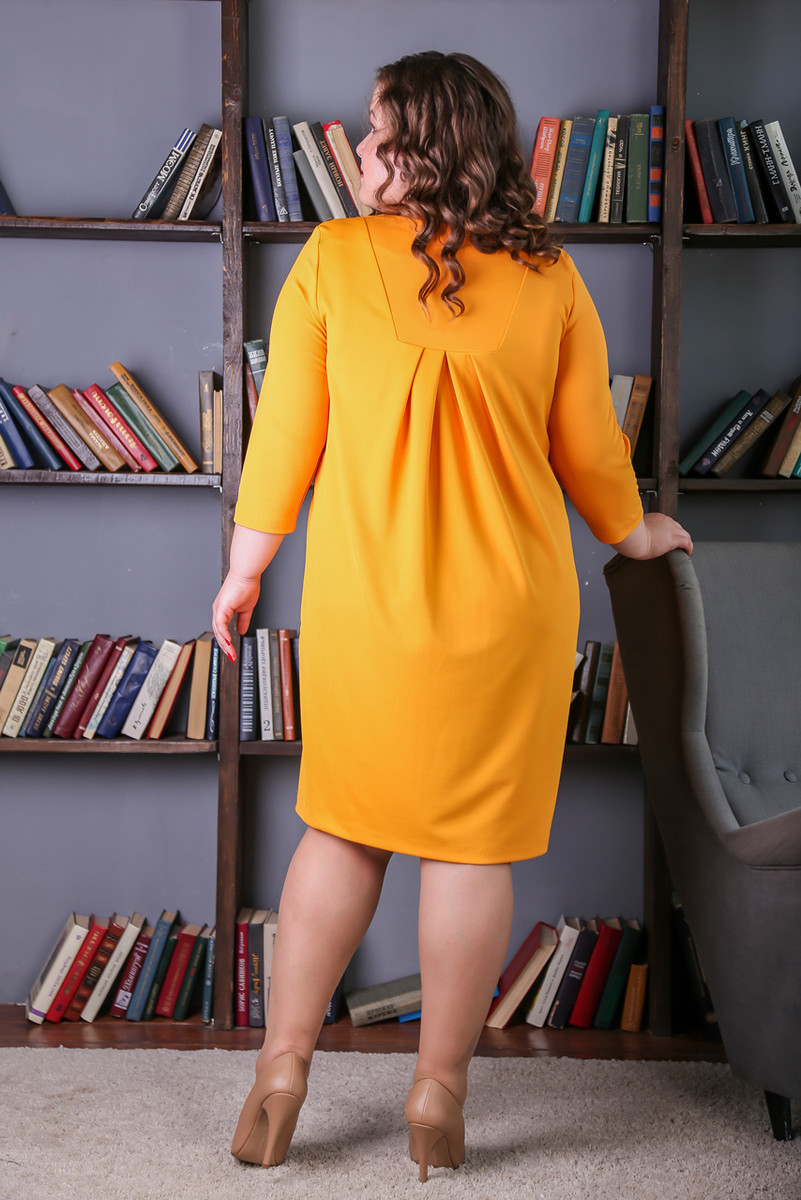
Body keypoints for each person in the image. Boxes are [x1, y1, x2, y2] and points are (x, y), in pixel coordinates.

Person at [212, 50, 693, 1181]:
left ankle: (281, 1071)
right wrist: (635, 536)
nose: (358, 144)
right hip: (508, 611)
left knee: (343, 831)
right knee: (471, 849)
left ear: (423, 146)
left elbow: (282, 442)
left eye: (377, 127)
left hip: (367, 605)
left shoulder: (331, 260)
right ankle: (439, 1093)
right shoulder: (552, 277)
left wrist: (242, 571)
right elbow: (592, 455)